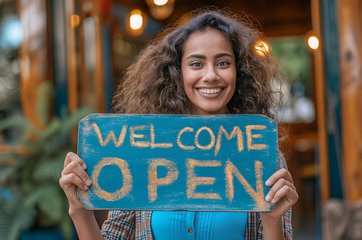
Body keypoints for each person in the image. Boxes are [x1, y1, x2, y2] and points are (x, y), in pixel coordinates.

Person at [59, 9, 298, 240]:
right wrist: (79, 210)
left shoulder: (262, 157)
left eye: (223, 63)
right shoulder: (140, 152)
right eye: (196, 64)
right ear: (177, 73)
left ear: (239, 71)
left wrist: (272, 219)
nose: (211, 75)